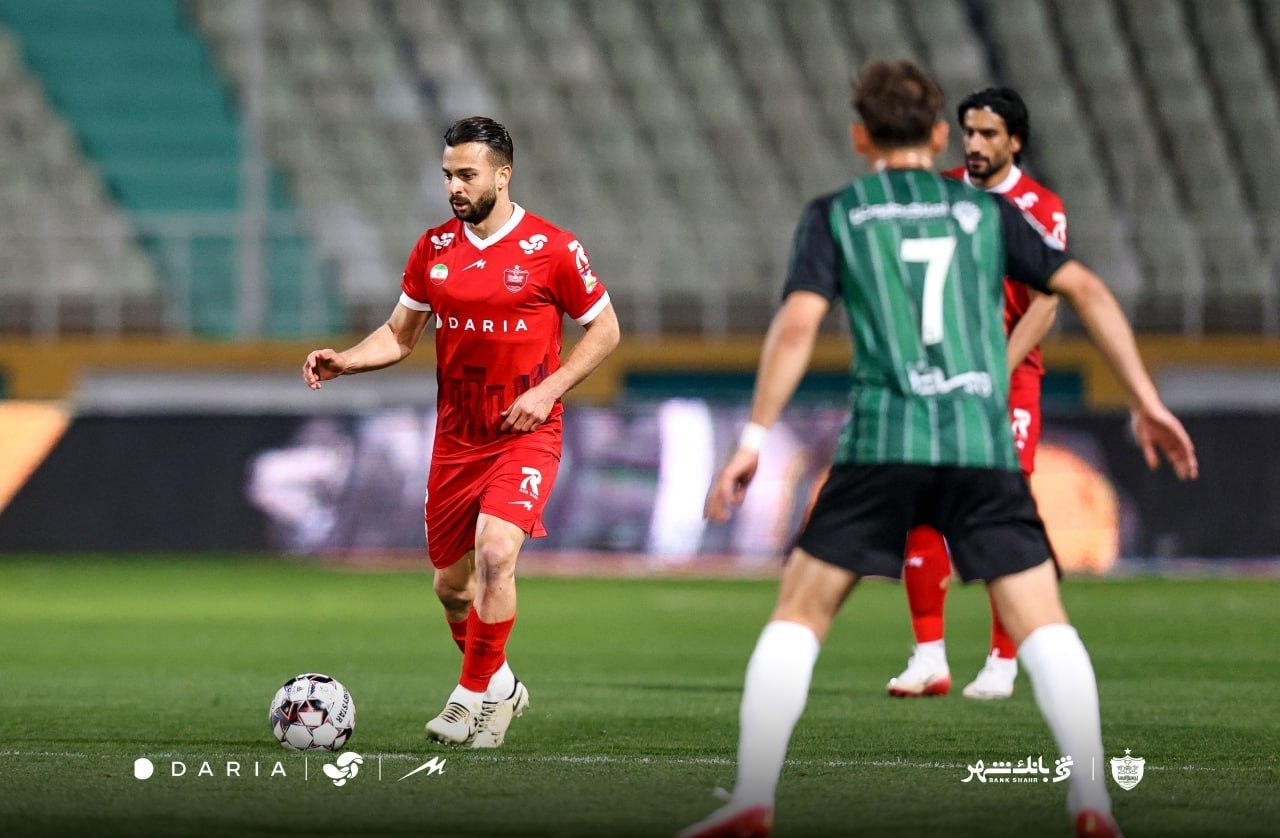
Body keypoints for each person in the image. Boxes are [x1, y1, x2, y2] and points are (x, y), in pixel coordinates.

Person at [680, 61, 1196, 838]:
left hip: (883, 437)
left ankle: (753, 798)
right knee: (1044, 621)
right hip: (978, 439)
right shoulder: (986, 212)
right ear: (934, 134)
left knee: (800, 611)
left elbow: (795, 326)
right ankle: (1092, 802)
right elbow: (1083, 290)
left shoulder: (838, 214)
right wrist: (1146, 401)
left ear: (860, 137)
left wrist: (754, 437)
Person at [302, 116, 620, 748]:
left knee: (497, 555)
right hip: (456, 441)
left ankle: (466, 697)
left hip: (525, 434)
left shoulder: (553, 248)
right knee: (452, 588)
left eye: (466, 175)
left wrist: (548, 390)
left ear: (503, 176)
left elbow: (605, 329)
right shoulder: (433, 250)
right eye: (448, 175)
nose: (453, 186)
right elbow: (399, 335)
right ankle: (501, 686)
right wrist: (347, 360)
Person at [888, 87, 1066, 701]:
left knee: (998, 514)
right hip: (938, 375)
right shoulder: (937, 193)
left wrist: (993, 370)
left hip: (1009, 377)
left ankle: (1003, 661)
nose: (975, 143)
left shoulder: (1040, 207)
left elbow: (1044, 304)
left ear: (1015, 141)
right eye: (969, 132)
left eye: (989, 134)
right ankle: (929, 658)